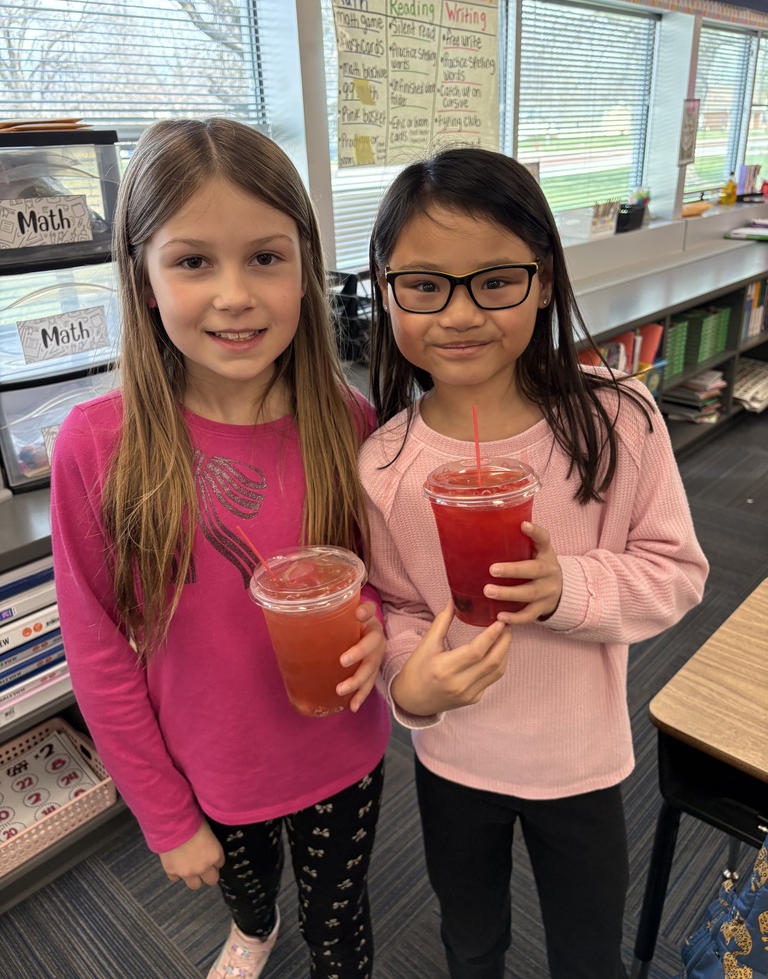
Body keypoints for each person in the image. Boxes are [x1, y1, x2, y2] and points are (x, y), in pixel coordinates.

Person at [50, 118, 391, 979]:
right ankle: (252, 928)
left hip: (341, 753)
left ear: (305, 269)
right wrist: (164, 815)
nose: (234, 295)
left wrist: (378, 626)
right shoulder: (97, 446)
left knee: (340, 923)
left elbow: (383, 581)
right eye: (194, 261)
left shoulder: (347, 421)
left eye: (266, 258)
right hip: (210, 765)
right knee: (246, 887)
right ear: (143, 277)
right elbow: (98, 652)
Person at [358, 146, 709, 979]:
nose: (459, 314)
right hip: (456, 760)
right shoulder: (384, 462)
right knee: (471, 941)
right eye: (424, 285)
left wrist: (566, 588)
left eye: (495, 281)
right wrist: (408, 684)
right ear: (386, 289)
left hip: (579, 761)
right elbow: (398, 606)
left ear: (544, 281)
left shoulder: (619, 421)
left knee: (588, 953)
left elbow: (677, 572)